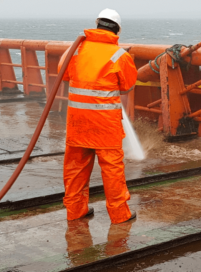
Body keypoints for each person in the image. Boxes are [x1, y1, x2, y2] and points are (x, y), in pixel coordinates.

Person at [60, 8, 137, 224]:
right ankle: (120, 215)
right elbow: (128, 86)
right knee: (112, 170)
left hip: (78, 123)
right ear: (117, 30)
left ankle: (76, 212)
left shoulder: (76, 49)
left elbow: (63, 72)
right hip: (105, 125)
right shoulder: (120, 55)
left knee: (75, 168)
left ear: (97, 24)